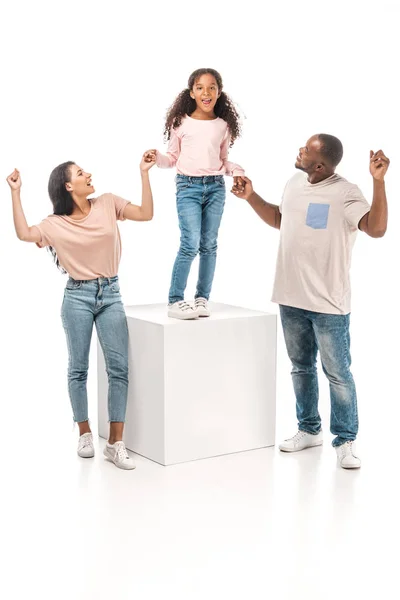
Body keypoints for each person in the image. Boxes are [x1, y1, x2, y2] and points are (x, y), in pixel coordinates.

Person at [232, 134, 389, 469]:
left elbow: (376, 229)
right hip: (290, 297)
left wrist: (378, 183)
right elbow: (279, 219)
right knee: (301, 367)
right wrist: (250, 197)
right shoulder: (294, 182)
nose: (300, 150)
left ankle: (345, 440)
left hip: (329, 303)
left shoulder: (346, 193)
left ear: (320, 164)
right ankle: (308, 429)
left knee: (337, 373)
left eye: (307, 150)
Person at [7, 153, 156, 469]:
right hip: (77, 297)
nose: (88, 174)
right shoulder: (54, 224)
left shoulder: (107, 203)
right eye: (80, 173)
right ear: (68, 185)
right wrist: (15, 193)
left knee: (119, 368)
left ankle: (116, 443)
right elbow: (24, 234)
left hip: (111, 293)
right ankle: (84, 432)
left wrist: (144, 173)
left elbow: (146, 214)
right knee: (78, 368)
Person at [144, 67, 245, 320]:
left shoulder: (223, 126)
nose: (206, 92)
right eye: (200, 87)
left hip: (215, 188)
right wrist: (157, 158)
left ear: (219, 93)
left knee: (209, 245)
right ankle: (175, 300)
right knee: (190, 244)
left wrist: (238, 171)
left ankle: (202, 299)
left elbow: (222, 161)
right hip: (187, 187)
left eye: (212, 87)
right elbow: (173, 159)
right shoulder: (181, 123)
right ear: (191, 93)